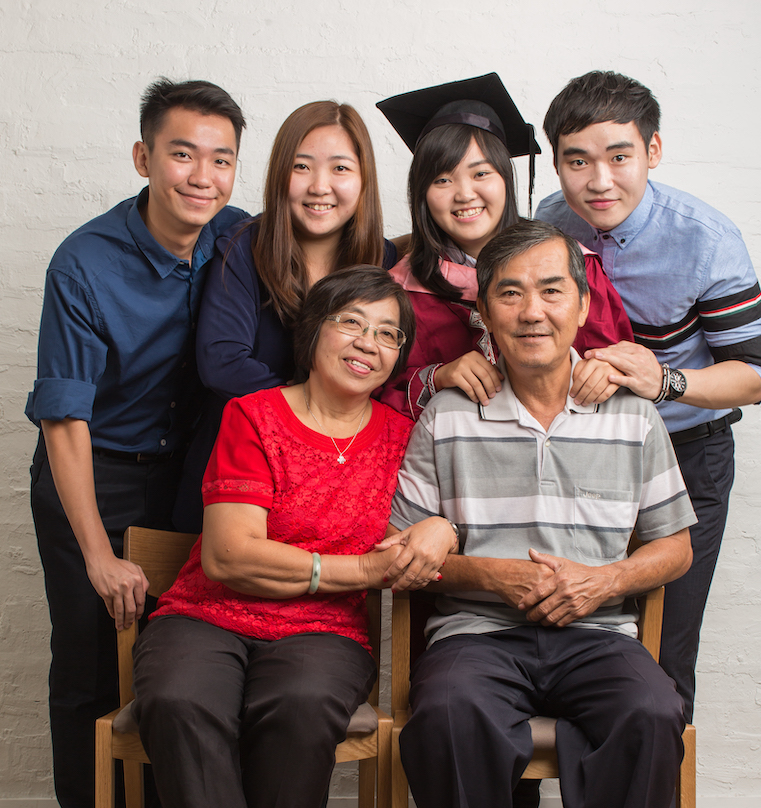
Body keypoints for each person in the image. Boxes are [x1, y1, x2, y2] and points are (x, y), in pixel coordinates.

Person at [387, 220, 697, 808]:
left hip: (599, 636)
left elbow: (675, 546)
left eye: (552, 291)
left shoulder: (631, 416)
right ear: (482, 310)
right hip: (475, 637)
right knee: (449, 713)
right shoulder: (448, 413)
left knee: (653, 710)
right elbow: (402, 552)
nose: (532, 312)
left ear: (583, 305)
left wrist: (605, 581)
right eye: (510, 293)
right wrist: (492, 577)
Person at [132, 267, 457, 808]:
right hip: (205, 617)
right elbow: (229, 556)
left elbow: (450, 516)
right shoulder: (253, 416)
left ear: (399, 355)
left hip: (325, 632)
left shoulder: (408, 437)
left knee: (301, 705)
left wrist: (444, 527)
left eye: (387, 333)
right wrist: (359, 572)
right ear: (312, 332)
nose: (367, 344)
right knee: (178, 699)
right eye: (350, 322)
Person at [25, 78, 247, 808]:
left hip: (188, 477)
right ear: (143, 157)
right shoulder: (83, 263)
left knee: (171, 665)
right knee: (91, 664)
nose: (202, 176)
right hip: (96, 471)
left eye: (221, 159)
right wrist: (97, 552)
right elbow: (65, 422)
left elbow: (334, 246)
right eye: (183, 154)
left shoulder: (237, 235)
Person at [534, 70, 761, 724]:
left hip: (684, 459)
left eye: (619, 157)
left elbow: (755, 376)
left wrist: (665, 379)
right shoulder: (551, 224)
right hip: (583, 464)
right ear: (556, 161)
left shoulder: (705, 238)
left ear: (653, 151)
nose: (599, 180)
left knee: (662, 658)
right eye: (577, 161)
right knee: (580, 653)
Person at [173, 100, 398, 533]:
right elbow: (223, 362)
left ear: (364, 179)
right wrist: (311, 413)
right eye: (302, 167)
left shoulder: (384, 261)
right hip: (235, 475)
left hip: (333, 481)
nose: (319, 186)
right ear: (280, 175)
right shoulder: (244, 247)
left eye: (340, 169)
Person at [375, 74, 633, 420]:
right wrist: (439, 377)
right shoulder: (401, 291)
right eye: (442, 179)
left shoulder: (571, 266)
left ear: (505, 179)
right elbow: (373, 392)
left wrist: (608, 372)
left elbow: (622, 363)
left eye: (481, 173)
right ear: (421, 194)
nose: (465, 194)